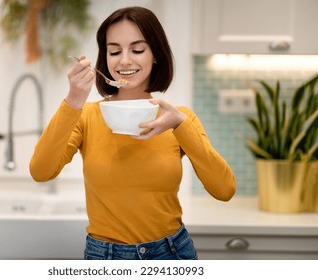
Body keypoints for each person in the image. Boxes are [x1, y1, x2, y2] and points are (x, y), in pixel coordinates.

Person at [30, 6, 236, 260]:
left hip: (172, 253)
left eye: (137, 50)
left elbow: (224, 190)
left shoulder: (177, 118)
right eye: (114, 51)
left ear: (156, 55)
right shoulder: (86, 116)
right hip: (105, 256)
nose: (124, 60)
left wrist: (182, 126)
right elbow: (41, 171)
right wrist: (73, 100)